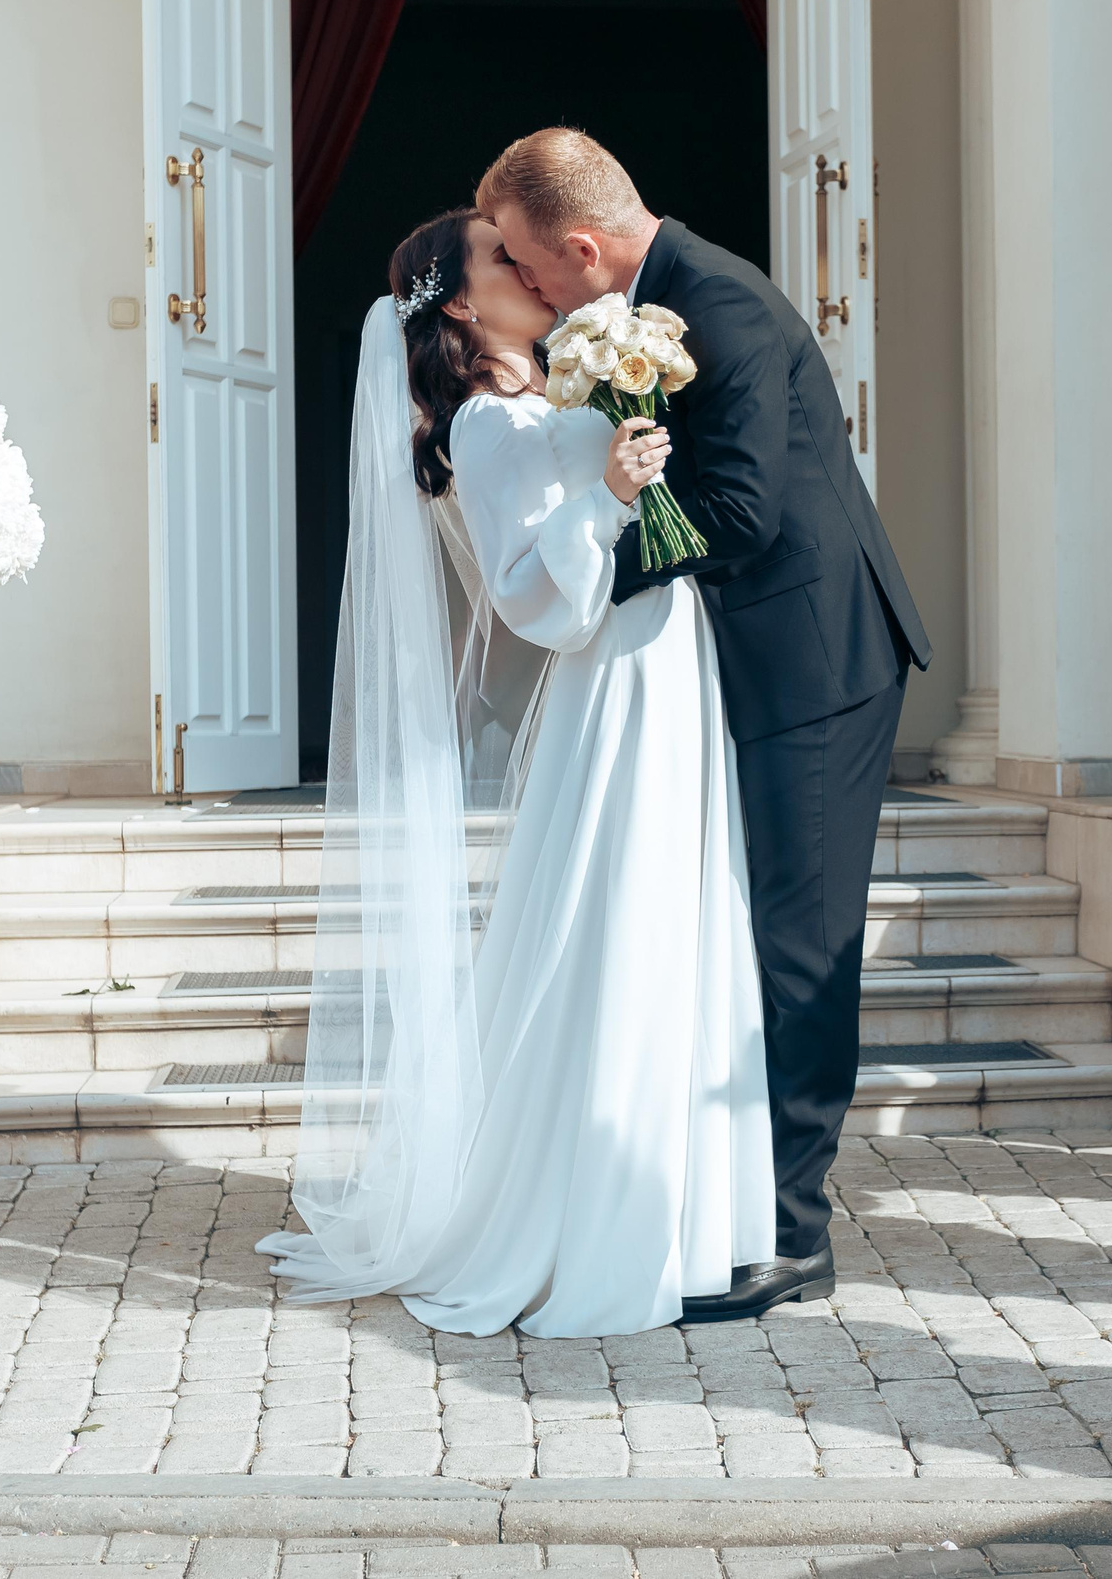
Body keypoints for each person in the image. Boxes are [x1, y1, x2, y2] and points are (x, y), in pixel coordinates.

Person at [257, 208, 777, 1335]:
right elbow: (529, 595)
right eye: (501, 259)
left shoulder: (548, 394)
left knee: (671, 920)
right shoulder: (488, 424)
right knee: (622, 928)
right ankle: (597, 1227)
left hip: (665, 660)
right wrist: (612, 494)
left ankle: (687, 1219)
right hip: (613, 677)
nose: (530, 271)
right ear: (457, 300)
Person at [478, 130, 931, 1322]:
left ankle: (792, 1232)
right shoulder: (659, 298)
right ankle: (730, 1204)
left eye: (526, 260)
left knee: (798, 945)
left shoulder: (714, 304)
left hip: (814, 663)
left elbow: (736, 510)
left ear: (583, 249)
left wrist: (579, 573)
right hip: (747, 665)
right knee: (750, 934)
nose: (524, 283)